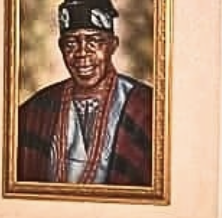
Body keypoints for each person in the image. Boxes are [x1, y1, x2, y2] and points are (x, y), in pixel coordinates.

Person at [16, 0, 153, 185]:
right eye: (71, 43)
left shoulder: (145, 108)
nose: (82, 53)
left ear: (113, 45)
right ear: (61, 48)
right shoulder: (35, 111)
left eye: (94, 41)